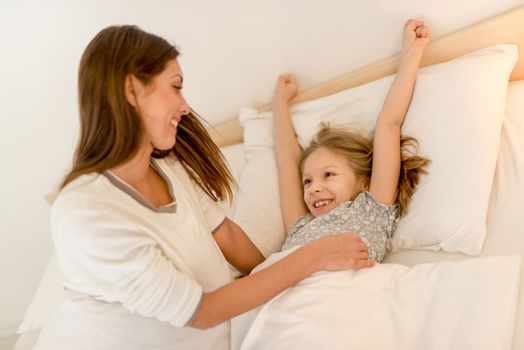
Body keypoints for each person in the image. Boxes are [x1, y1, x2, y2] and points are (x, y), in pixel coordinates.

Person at [34, 25, 375, 350]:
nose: (184, 107)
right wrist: (310, 258)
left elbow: (225, 234)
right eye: (176, 87)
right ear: (132, 90)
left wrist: (280, 273)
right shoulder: (87, 214)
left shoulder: (167, 168)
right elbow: (201, 312)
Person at [272, 19, 431, 262]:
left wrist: (411, 53)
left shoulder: (372, 209)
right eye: (307, 181)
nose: (313, 188)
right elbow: (286, 161)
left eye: (328, 175)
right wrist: (280, 103)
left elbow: (389, 124)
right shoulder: (300, 226)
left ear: (364, 182)